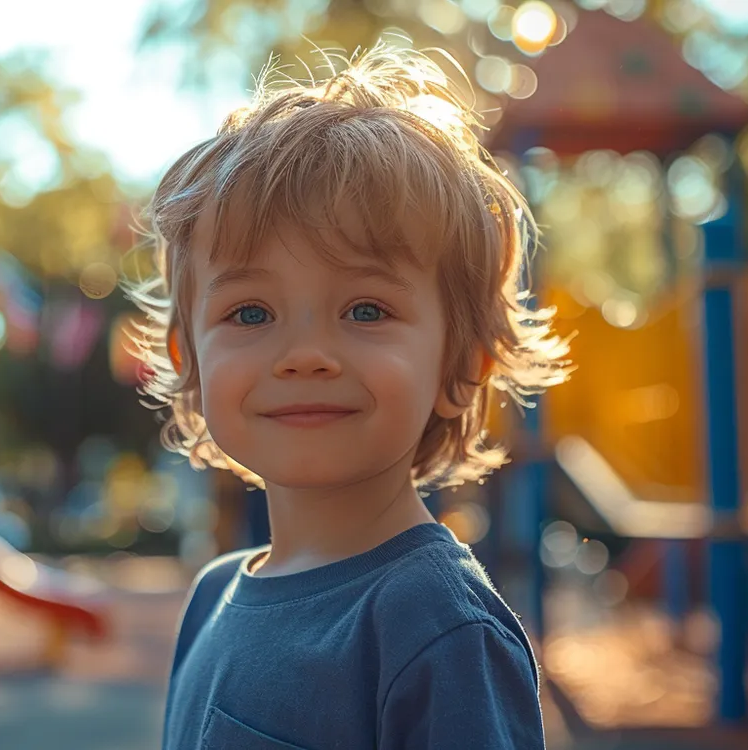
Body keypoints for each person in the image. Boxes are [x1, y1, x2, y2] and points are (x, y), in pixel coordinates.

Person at [124, 38, 569, 749]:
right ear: (192, 363)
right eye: (250, 313)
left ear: (463, 366)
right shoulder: (212, 598)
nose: (304, 355)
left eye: (366, 310)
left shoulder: (436, 629)